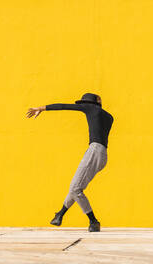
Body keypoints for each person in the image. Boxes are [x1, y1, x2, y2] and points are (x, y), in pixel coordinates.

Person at [26, 93, 114, 232]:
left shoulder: (91, 109)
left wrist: (41, 108)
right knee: (76, 187)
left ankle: (93, 221)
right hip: (102, 155)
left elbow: (64, 106)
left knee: (75, 188)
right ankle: (60, 215)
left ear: (88, 103)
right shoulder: (109, 117)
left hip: (94, 151)